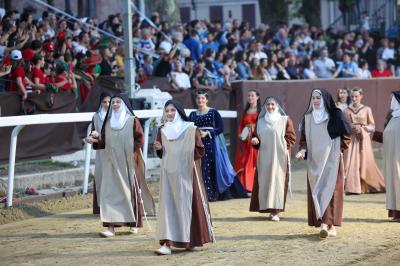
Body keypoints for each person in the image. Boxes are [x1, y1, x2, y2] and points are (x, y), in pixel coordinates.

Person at [86, 94, 154, 237]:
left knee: (130, 193)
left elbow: (140, 140)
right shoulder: (108, 122)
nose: (115, 104)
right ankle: (111, 227)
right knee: (110, 194)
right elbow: (103, 142)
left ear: (124, 104)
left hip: (127, 163)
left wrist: (130, 152)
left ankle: (134, 223)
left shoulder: (132, 121)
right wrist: (95, 140)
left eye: (118, 102)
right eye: (113, 102)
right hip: (111, 163)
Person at [153, 100, 215, 255]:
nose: (169, 113)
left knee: (189, 205)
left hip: (187, 173)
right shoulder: (162, 130)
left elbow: (200, 149)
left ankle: (190, 240)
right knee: (168, 206)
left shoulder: (190, 129)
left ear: (179, 111)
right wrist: (159, 149)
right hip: (168, 173)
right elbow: (161, 150)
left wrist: (185, 159)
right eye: (167, 111)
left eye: (172, 110)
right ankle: (167, 243)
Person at [296, 89, 351, 239]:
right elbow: (304, 140)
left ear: (325, 99)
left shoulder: (336, 115)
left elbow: (346, 135)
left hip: (332, 160)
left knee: (331, 191)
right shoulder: (307, 118)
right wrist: (302, 151)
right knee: (318, 192)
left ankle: (327, 224)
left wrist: (339, 150)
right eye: (313, 98)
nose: (315, 100)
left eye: (318, 98)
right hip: (315, 162)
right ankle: (326, 224)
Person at [189, 91, 247, 201]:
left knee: (212, 166)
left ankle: (213, 193)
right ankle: (202, 193)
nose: (200, 100)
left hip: (211, 144)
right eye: (198, 98)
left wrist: (208, 133)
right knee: (200, 167)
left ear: (206, 100)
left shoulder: (213, 112)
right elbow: (188, 128)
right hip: (197, 144)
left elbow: (220, 128)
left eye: (202, 98)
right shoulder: (192, 114)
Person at [249, 97, 296, 221]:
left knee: (278, 182)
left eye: (273, 104)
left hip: (279, 157)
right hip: (264, 157)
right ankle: (268, 209)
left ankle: (276, 211)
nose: (270, 107)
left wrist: (282, 145)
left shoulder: (284, 120)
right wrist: (255, 141)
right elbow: (256, 138)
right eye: (268, 104)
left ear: (278, 106)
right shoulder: (260, 121)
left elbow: (291, 137)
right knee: (265, 182)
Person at [343, 87, 385, 194]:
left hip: (363, 140)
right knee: (350, 163)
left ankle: (369, 186)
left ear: (361, 96)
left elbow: (372, 126)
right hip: (351, 141)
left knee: (365, 162)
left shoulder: (367, 109)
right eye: (352, 96)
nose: (354, 98)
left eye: (356, 96)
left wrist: (362, 128)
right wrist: (350, 129)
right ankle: (353, 188)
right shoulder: (346, 111)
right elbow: (343, 127)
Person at [234, 90, 261, 191]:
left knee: (253, 161)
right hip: (246, 140)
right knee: (244, 161)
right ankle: (244, 185)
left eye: (252, 96)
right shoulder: (246, 111)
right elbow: (241, 125)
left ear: (257, 97)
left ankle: (252, 185)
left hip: (256, 139)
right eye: (249, 96)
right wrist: (240, 134)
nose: (250, 98)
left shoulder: (261, 110)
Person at [89, 92, 111, 214]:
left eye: (109, 102)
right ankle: (102, 207)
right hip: (102, 153)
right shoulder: (96, 117)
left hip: (113, 151)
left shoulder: (115, 116)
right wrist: (91, 138)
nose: (107, 104)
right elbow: (93, 132)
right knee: (101, 177)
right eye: (104, 102)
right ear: (100, 103)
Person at [383, 91, 400, 222]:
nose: (390, 102)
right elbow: (387, 136)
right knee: (393, 183)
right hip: (391, 159)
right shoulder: (392, 117)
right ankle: (397, 213)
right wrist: (372, 133)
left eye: (391, 99)